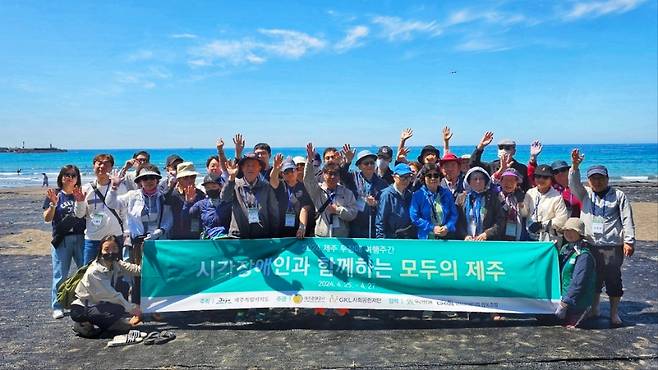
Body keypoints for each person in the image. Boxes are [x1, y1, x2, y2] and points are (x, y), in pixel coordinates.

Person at [569, 149, 635, 327]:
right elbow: (573, 184)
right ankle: (595, 309)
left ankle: (614, 313)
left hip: (613, 245)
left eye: (600, 178)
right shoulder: (586, 195)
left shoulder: (618, 195)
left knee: (613, 279)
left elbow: (627, 218)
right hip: (590, 244)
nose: (597, 182)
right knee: (594, 279)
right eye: (593, 178)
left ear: (607, 178)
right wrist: (575, 166)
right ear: (589, 181)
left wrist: (629, 241)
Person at [106, 164, 173, 313]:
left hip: (157, 243)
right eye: (145, 178)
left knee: (157, 276)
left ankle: (157, 310)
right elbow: (111, 203)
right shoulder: (132, 196)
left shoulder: (163, 197)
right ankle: (137, 310)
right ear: (140, 181)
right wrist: (114, 187)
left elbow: (168, 220)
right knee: (138, 277)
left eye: (153, 178)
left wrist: (159, 231)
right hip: (138, 244)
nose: (149, 181)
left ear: (157, 180)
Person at [70, 235, 141, 338]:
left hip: (98, 304)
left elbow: (135, 270)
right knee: (119, 307)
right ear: (100, 251)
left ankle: (110, 323)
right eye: (106, 249)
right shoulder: (95, 271)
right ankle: (82, 324)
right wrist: (133, 308)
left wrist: (148, 260)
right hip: (82, 308)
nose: (111, 252)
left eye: (114, 248)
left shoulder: (115, 263)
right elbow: (112, 295)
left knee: (120, 303)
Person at [43, 165, 86, 319]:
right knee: (60, 274)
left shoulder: (81, 193)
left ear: (77, 178)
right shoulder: (54, 194)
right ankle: (57, 305)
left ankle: (84, 302)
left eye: (73, 175)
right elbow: (47, 218)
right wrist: (53, 204)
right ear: (61, 177)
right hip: (62, 239)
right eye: (66, 175)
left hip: (81, 237)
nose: (69, 177)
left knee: (85, 272)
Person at [74, 154, 127, 265]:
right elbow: (79, 215)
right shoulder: (86, 188)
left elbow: (125, 213)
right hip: (93, 239)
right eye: (99, 163)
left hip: (115, 238)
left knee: (116, 273)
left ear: (111, 168)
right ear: (94, 166)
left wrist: (126, 234)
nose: (102, 166)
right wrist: (79, 202)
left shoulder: (120, 187)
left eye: (106, 164)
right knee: (88, 273)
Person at [303, 143, 357, 237]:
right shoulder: (317, 190)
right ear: (323, 174)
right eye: (329, 173)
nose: (332, 176)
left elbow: (353, 214)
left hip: (342, 239)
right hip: (322, 238)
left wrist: (338, 210)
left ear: (339, 175)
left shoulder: (347, 192)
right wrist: (309, 161)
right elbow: (308, 180)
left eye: (335, 174)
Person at [221, 153, 280, 239]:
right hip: (238, 237)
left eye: (254, 165)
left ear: (259, 168)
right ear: (242, 168)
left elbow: (274, 212)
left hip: (261, 237)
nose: (250, 168)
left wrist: (274, 234)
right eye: (247, 165)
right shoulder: (234, 184)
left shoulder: (266, 186)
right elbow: (224, 198)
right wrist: (231, 178)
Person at [554, 218, 597, 328]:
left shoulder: (584, 255)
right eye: (566, 230)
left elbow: (578, 281)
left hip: (576, 303)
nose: (568, 233)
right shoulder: (564, 248)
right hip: (562, 299)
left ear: (580, 233)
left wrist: (565, 303)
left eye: (572, 231)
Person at [339, 147, 388, 238]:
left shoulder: (382, 183)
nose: (370, 165)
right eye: (366, 163)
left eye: (372, 163)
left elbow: (387, 205)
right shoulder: (352, 177)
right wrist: (348, 162)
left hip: (373, 227)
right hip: (354, 226)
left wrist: (375, 204)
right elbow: (340, 174)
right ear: (359, 166)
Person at [527, 140, 581, 217]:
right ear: (552, 175)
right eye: (556, 171)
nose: (560, 173)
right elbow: (534, 176)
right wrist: (533, 157)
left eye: (563, 170)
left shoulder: (577, 188)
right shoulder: (550, 187)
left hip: (573, 225)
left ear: (568, 171)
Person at [455, 167, 505, 241]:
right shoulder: (461, 198)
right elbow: (456, 221)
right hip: (466, 242)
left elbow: (500, 220)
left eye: (481, 179)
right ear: (469, 182)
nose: (478, 181)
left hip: (487, 242)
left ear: (485, 181)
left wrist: (486, 234)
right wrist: (464, 235)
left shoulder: (492, 198)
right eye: (475, 179)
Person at [410, 163, 458, 240]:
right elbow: (415, 217)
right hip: (425, 238)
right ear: (424, 178)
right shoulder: (418, 195)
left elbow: (454, 215)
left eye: (436, 175)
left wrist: (447, 227)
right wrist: (432, 228)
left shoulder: (447, 193)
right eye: (429, 176)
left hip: (445, 237)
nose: (433, 178)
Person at [269, 156, 313, 238]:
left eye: (292, 170)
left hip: (298, 230)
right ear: (282, 174)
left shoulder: (304, 187)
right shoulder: (280, 185)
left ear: (296, 171)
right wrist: (275, 168)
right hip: (280, 229)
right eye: (286, 172)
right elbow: (272, 180)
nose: (289, 174)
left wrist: (302, 227)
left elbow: (305, 208)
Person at [525, 164, 569, 243]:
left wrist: (542, 225)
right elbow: (524, 213)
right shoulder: (530, 193)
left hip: (549, 239)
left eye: (545, 177)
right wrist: (520, 206)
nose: (541, 180)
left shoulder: (557, 197)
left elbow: (562, 219)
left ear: (551, 179)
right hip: (529, 236)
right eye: (538, 176)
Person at [166, 162, 205, 240]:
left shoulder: (200, 194)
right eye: (186, 177)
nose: (190, 180)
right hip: (175, 238)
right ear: (178, 179)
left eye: (193, 177)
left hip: (195, 237)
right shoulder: (172, 195)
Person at [376, 163, 416, 239]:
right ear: (394, 177)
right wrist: (380, 239)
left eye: (408, 177)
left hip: (406, 237)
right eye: (402, 177)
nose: (406, 180)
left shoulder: (409, 194)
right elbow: (380, 219)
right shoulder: (387, 194)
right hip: (391, 237)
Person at [186, 175, 231, 239]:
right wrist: (188, 203)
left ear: (220, 187)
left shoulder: (228, 203)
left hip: (227, 239)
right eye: (208, 187)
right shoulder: (201, 204)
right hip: (208, 240)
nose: (211, 189)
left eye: (214, 186)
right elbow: (187, 216)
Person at [492, 167, 531, 241]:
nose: (508, 183)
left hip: (515, 235)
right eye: (506, 180)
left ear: (516, 183)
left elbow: (525, 215)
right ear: (501, 181)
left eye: (512, 180)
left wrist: (521, 204)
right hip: (496, 236)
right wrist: (501, 169)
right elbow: (489, 183)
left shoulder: (522, 196)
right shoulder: (494, 194)